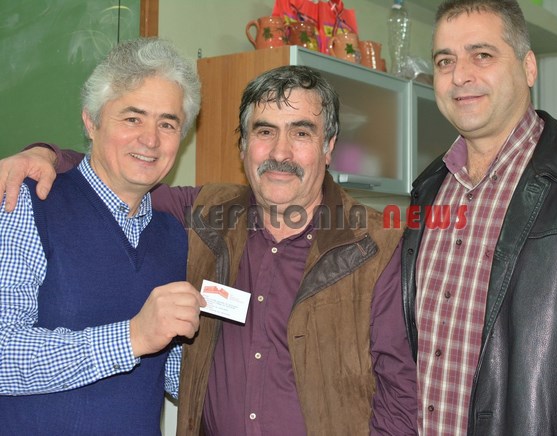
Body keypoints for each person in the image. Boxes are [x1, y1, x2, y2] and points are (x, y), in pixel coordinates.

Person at [0, 65, 417, 435]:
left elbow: (402, 393)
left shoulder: (378, 244)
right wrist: (45, 155)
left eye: (301, 133)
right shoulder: (203, 216)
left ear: (328, 147)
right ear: (243, 147)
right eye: (264, 131)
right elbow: (117, 175)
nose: (280, 152)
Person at [401, 0, 557, 435]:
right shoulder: (429, 188)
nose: (460, 76)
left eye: (482, 55)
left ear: (529, 67)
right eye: (445, 61)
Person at [0, 38, 205, 435]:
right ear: (91, 123)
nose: (151, 140)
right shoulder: (28, 202)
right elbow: (3, 354)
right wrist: (131, 337)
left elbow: (171, 375)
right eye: (133, 119)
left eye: (167, 124)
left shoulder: (174, 237)